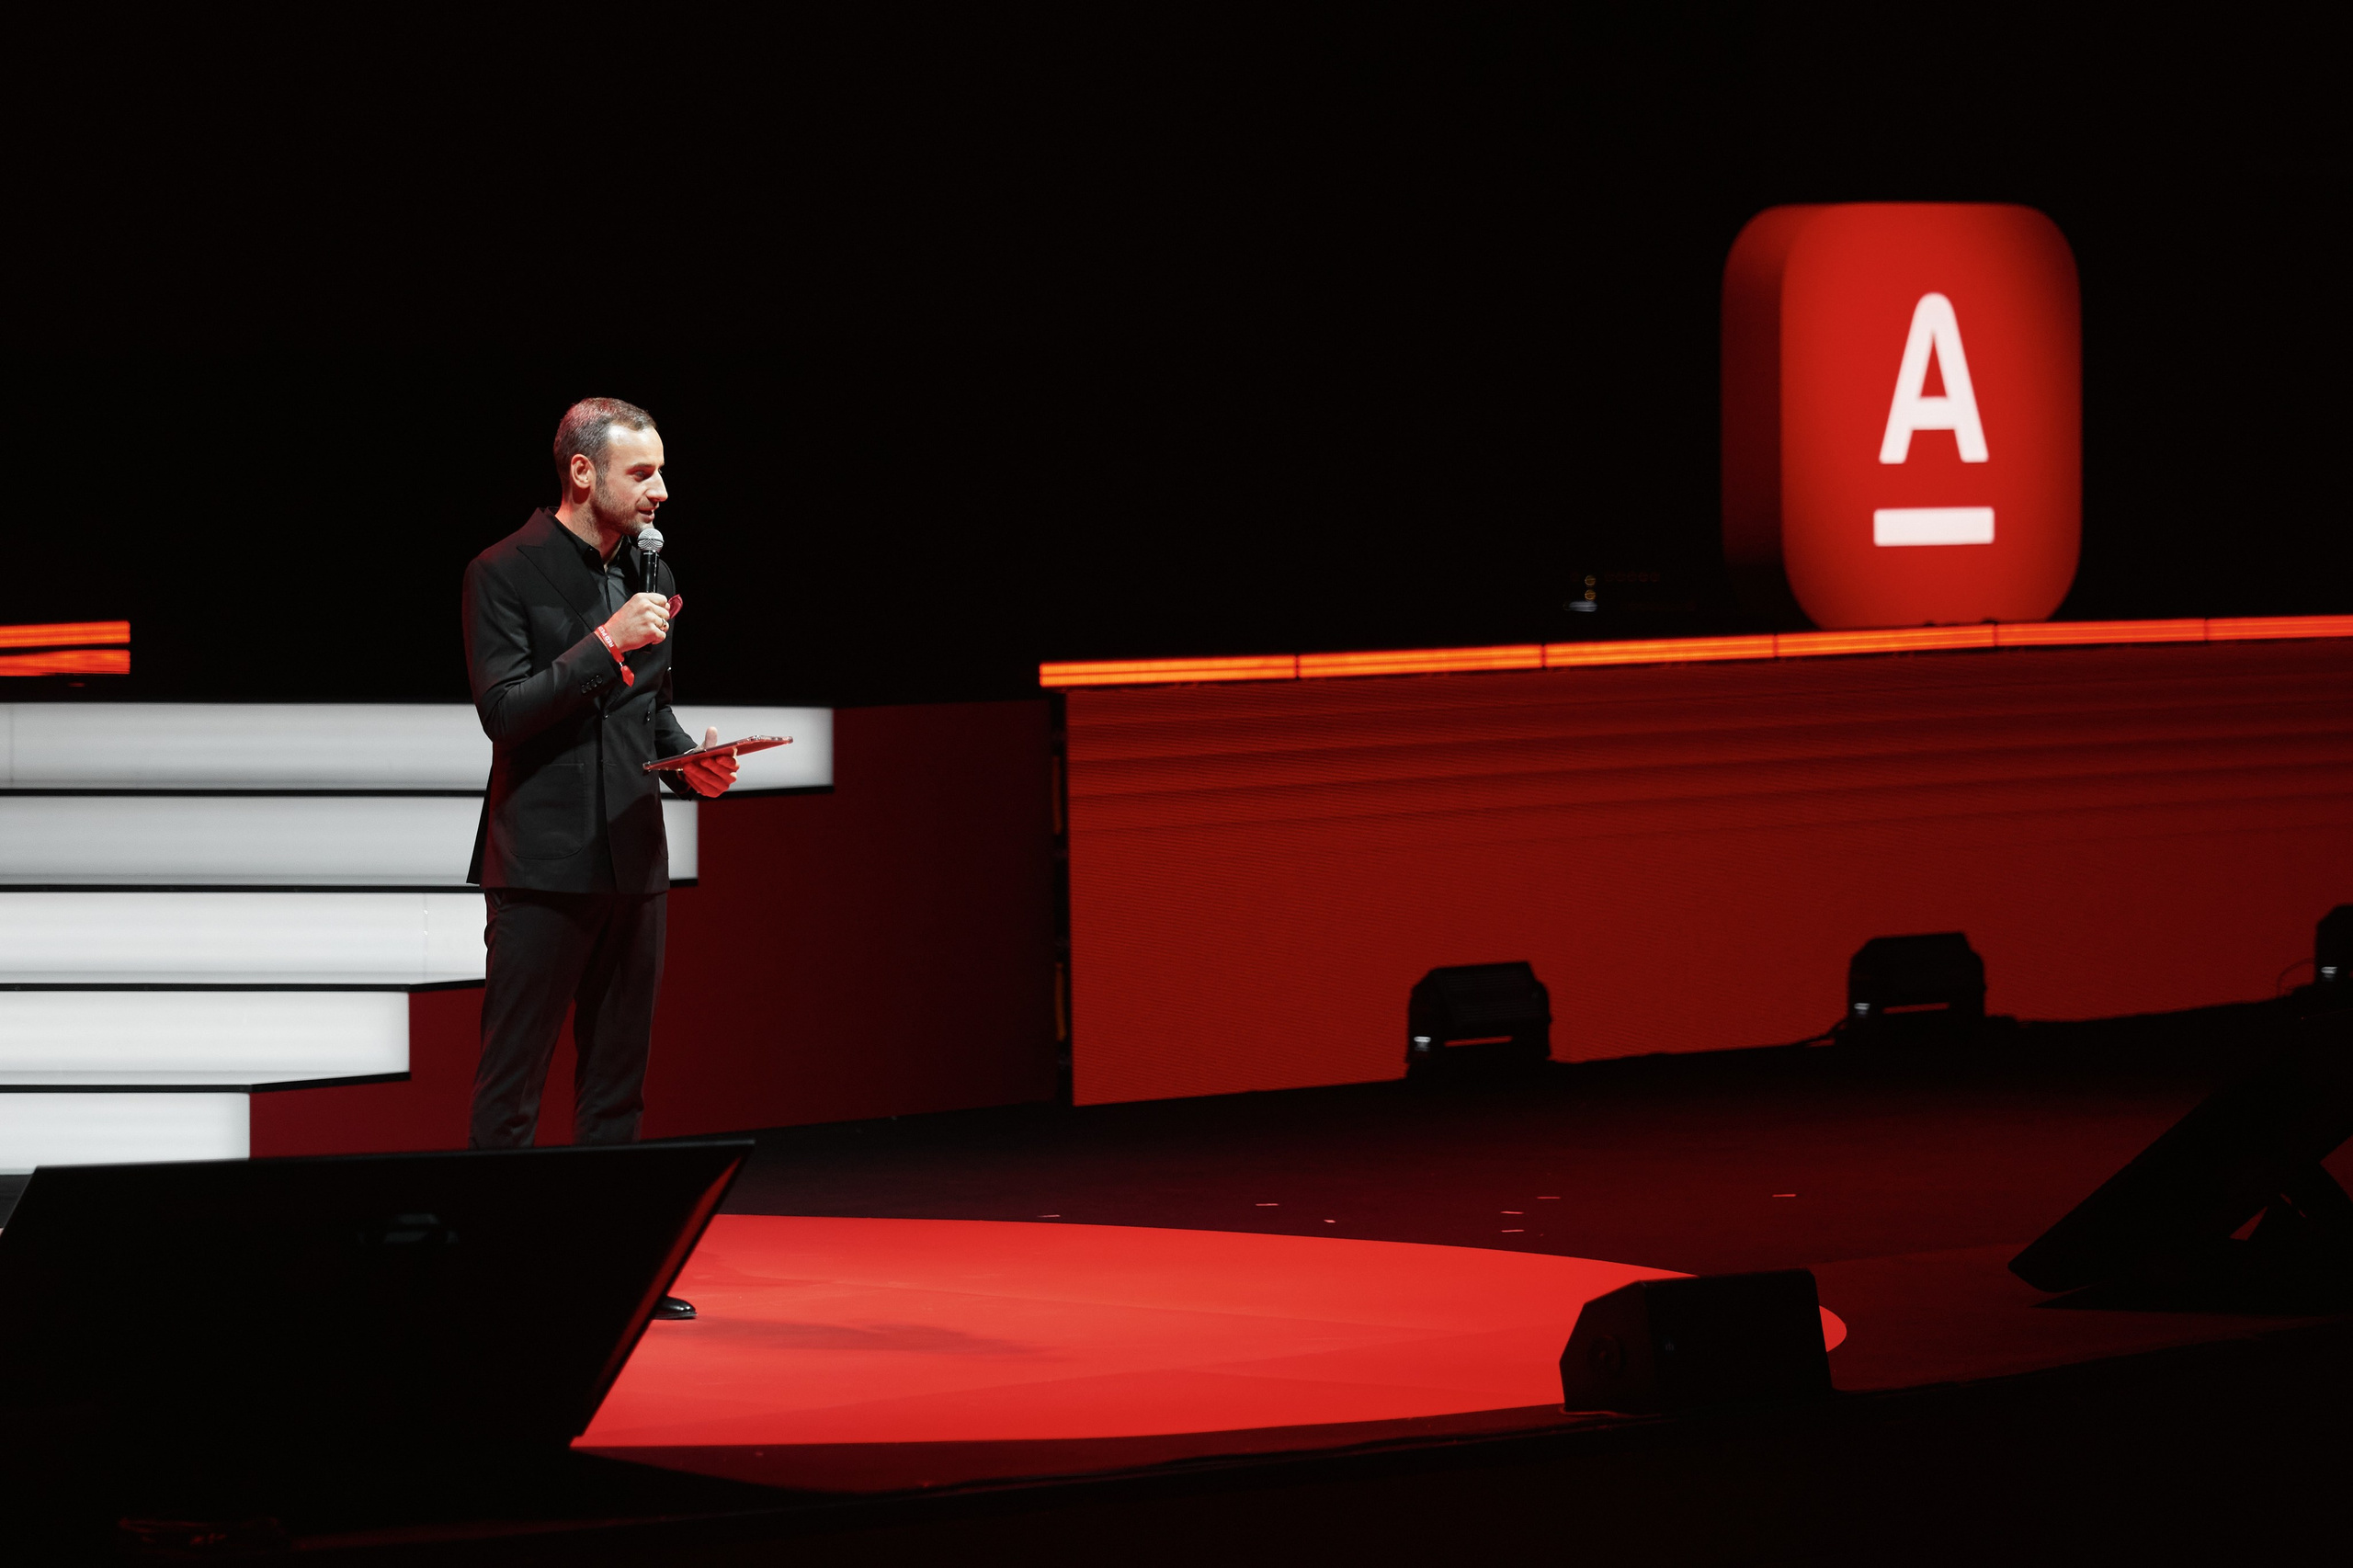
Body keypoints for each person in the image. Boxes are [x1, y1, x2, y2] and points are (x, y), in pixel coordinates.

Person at [461, 396, 739, 1320]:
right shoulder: (503, 570)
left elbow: (647, 709)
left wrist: (687, 762)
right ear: (583, 473)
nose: (662, 490)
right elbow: (505, 710)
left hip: (633, 854)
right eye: (642, 472)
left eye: (660, 470)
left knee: (617, 1077)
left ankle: (616, 1267)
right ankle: (493, 1266)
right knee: (514, 1078)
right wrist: (604, 644)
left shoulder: (649, 571)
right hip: (541, 863)